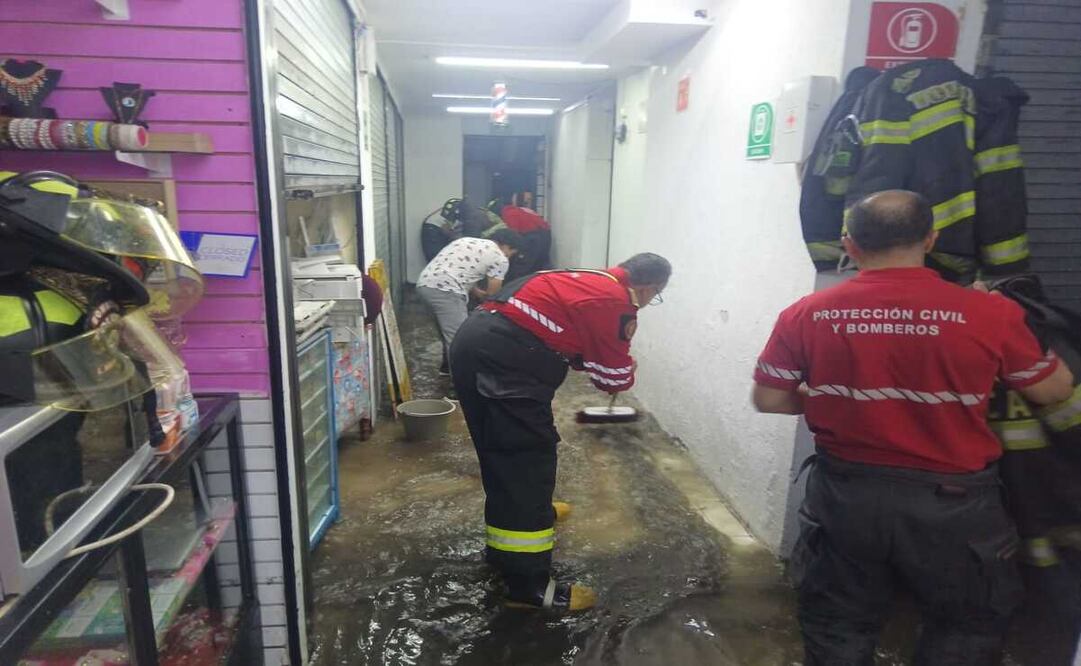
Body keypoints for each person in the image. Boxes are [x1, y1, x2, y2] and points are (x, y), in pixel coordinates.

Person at [752, 190, 1074, 665]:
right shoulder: (989, 313)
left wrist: (836, 396)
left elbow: (770, 398)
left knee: (838, 624)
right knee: (964, 628)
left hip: (846, 497)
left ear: (850, 244)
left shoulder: (806, 313)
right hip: (955, 506)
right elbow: (1054, 390)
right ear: (931, 238)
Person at [450, 253, 671, 611]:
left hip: (477, 346)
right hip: (504, 365)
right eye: (654, 296)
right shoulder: (615, 302)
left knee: (503, 459)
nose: (649, 302)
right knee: (527, 464)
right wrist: (627, 367)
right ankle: (528, 589)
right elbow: (611, 379)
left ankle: (517, 532)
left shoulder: (583, 277)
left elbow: (564, 333)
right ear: (648, 288)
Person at [416, 229, 524, 376]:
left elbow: (459, 268)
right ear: (507, 246)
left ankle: (447, 368)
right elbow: (493, 294)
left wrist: (477, 292)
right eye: (512, 253)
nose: (509, 257)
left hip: (425, 285)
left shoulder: (466, 241)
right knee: (460, 337)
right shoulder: (500, 258)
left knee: (447, 332)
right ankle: (462, 381)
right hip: (447, 290)